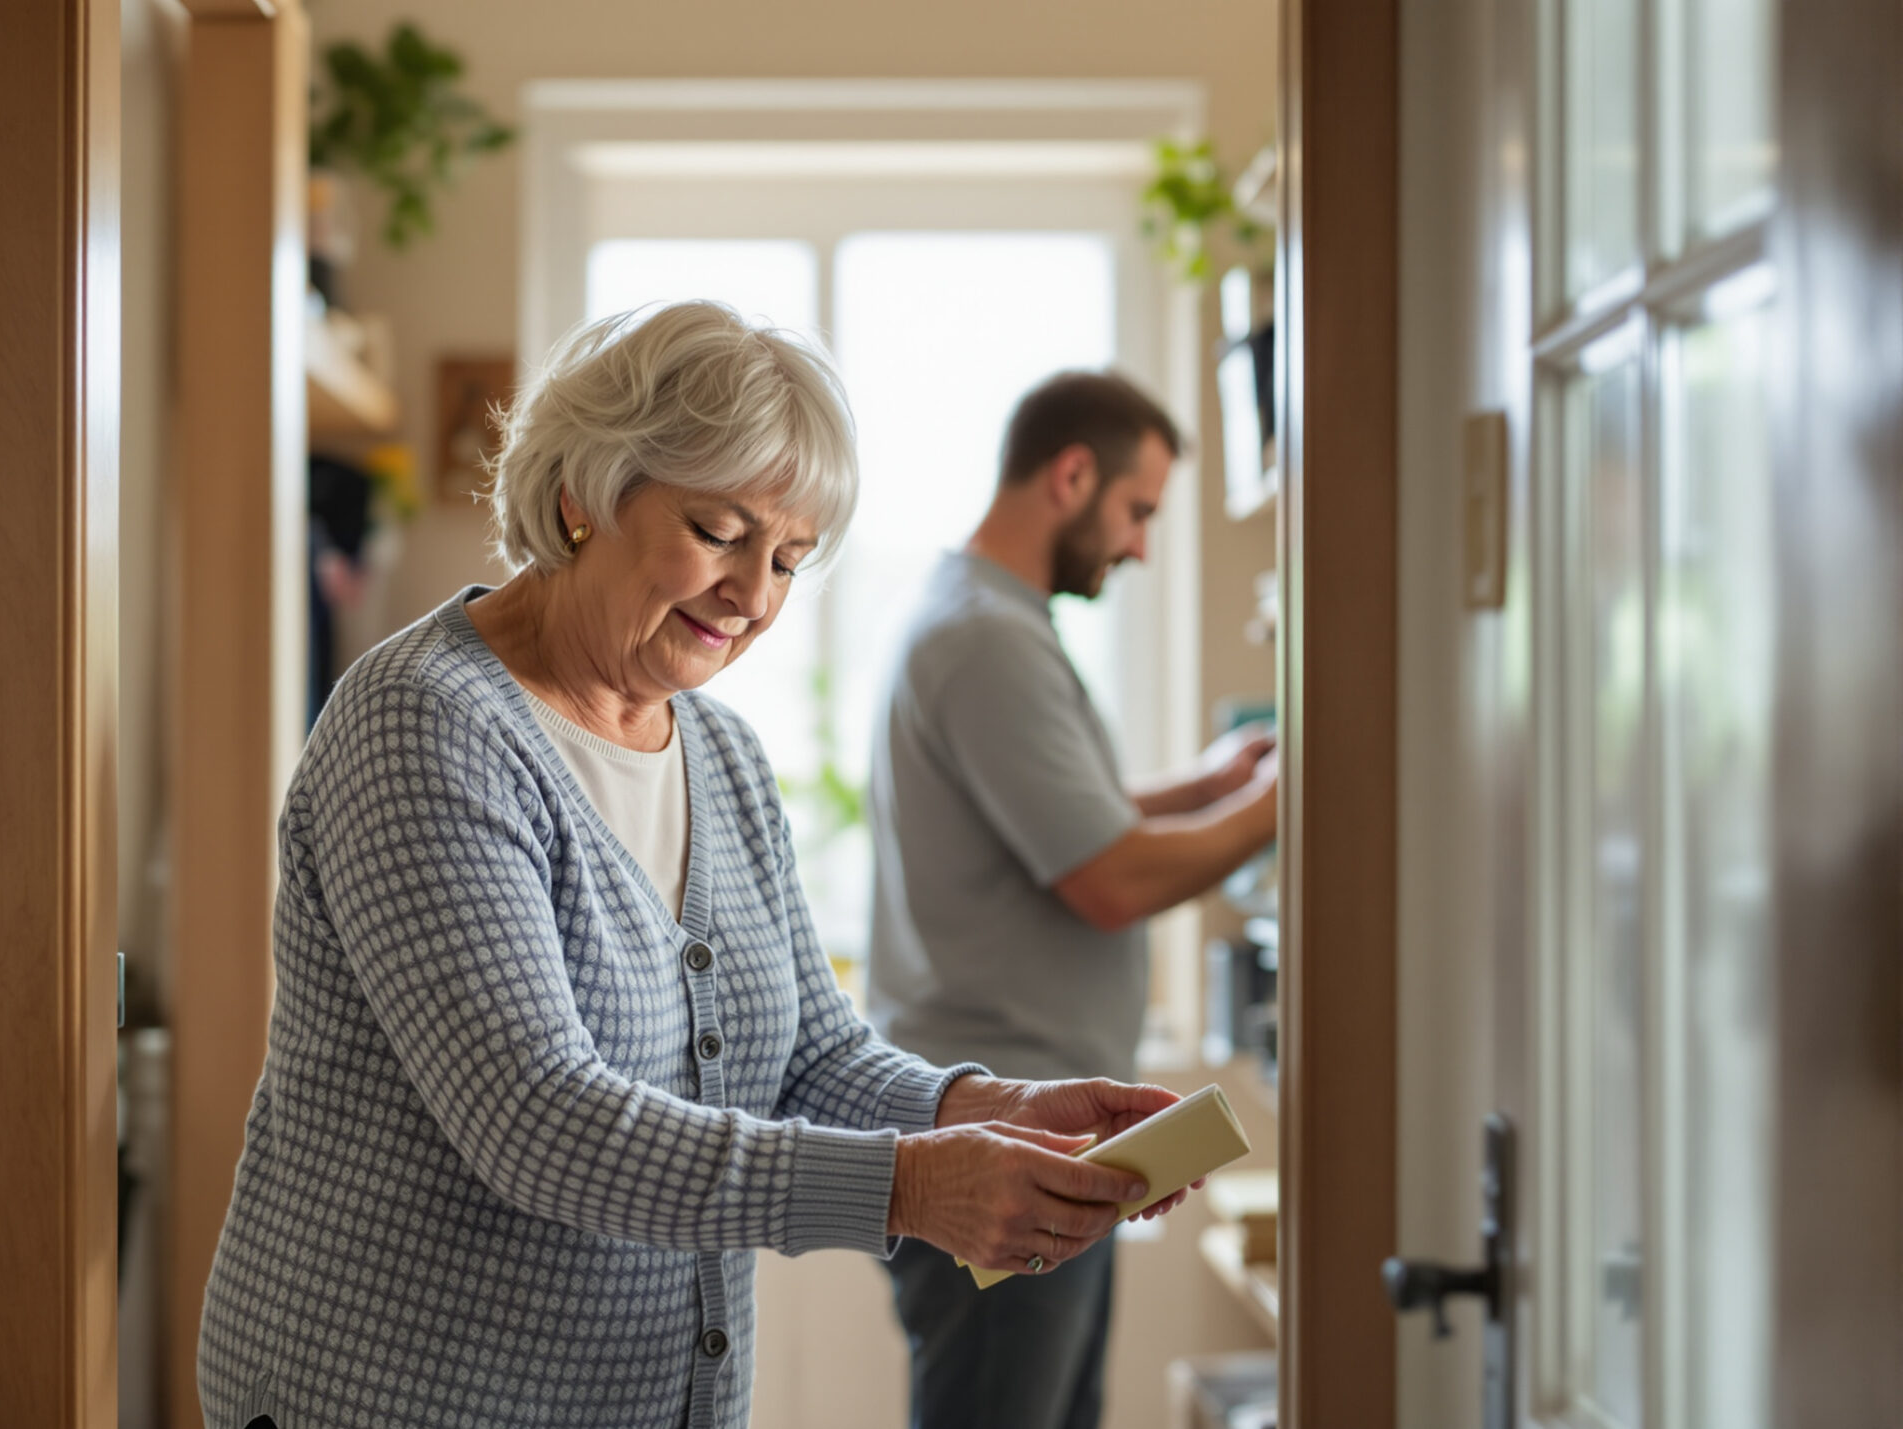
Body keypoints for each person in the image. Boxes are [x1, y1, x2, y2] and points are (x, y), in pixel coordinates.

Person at [198, 305, 1197, 1429]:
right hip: (395, 1399)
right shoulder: (425, 724)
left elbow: (808, 1051)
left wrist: (993, 1106)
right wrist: (913, 1186)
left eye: (788, 558)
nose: (756, 596)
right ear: (583, 494)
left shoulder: (717, 753)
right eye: (719, 532)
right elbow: (538, 1121)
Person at [866, 371, 1279, 1429]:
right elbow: (1107, 877)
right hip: (1008, 1138)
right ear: (1071, 474)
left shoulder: (983, 616)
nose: (1139, 546)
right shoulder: (987, 640)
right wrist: (1284, 801)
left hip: (1034, 1125)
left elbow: (1055, 819)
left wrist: (1211, 784)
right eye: (1137, 511)